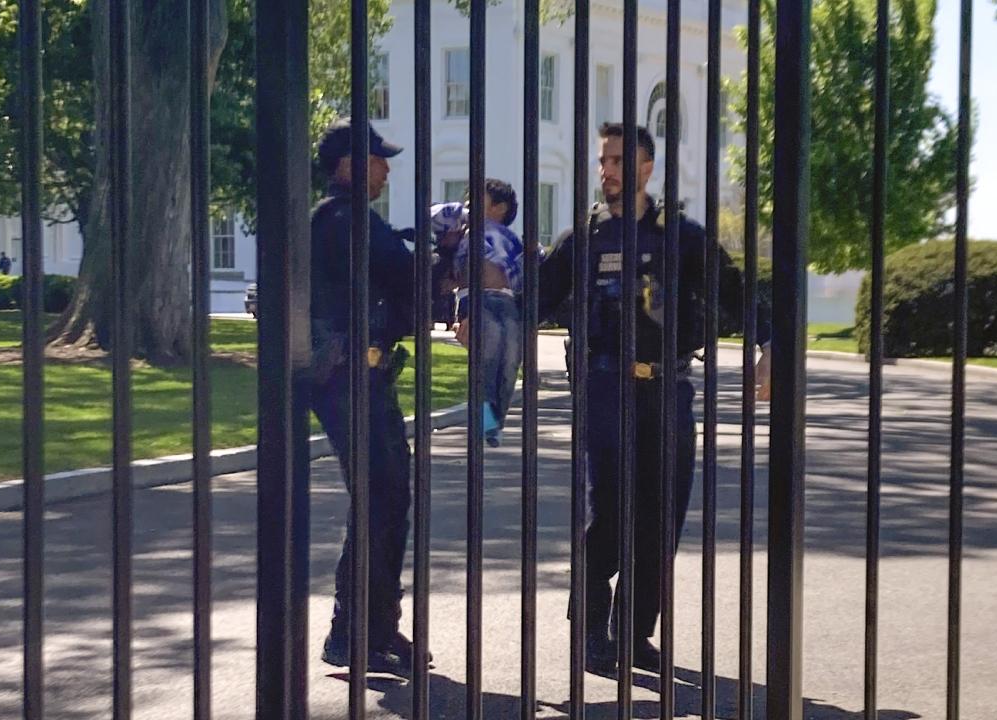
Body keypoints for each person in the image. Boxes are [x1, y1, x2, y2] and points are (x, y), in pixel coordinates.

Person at [538, 123, 771, 674]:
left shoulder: (681, 236)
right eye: (603, 160)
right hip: (604, 388)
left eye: (619, 160)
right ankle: (591, 629)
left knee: (662, 515)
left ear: (646, 166)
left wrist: (770, 345)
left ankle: (633, 633)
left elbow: (733, 291)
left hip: (668, 388)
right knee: (609, 512)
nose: (607, 170)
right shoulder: (584, 238)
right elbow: (536, 298)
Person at [308, 117, 419, 677]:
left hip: (366, 377)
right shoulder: (343, 220)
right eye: (378, 160)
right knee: (380, 498)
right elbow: (404, 275)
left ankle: (374, 625)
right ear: (350, 165)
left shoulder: (349, 221)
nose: (386, 171)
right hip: (348, 379)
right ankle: (349, 632)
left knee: (388, 497)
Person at [440, 179, 526, 447]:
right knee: (487, 360)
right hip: (477, 300)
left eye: (478, 198)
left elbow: (527, 267)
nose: (469, 204)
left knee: (510, 361)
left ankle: (495, 420)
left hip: (506, 300)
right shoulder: (464, 231)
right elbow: (434, 216)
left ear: (500, 208)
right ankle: (485, 422)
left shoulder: (509, 238)